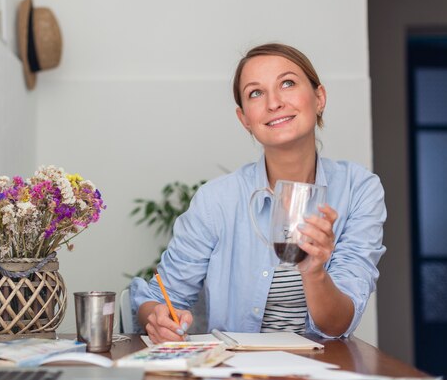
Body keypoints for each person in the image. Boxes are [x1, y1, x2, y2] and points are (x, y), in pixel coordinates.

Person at [130, 43, 387, 344]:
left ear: (319, 98)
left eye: (287, 83)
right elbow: (158, 298)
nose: (274, 102)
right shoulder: (216, 201)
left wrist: (314, 271)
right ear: (245, 119)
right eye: (256, 93)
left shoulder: (359, 190)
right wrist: (158, 318)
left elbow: (337, 325)